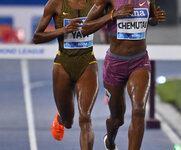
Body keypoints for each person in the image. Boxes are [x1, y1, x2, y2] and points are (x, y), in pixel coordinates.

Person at [81, 0, 166, 149]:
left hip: (139, 62)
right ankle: (110, 140)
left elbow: (150, 19)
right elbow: (85, 28)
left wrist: (154, 19)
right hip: (115, 65)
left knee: (139, 109)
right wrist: (112, 15)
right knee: (117, 119)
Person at [32, 0, 98, 150]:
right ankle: (60, 117)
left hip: (88, 63)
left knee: (85, 118)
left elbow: (113, 13)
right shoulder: (55, 4)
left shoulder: (95, 2)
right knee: (68, 122)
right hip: (63, 64)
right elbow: (36, 37)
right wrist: (63, 30)